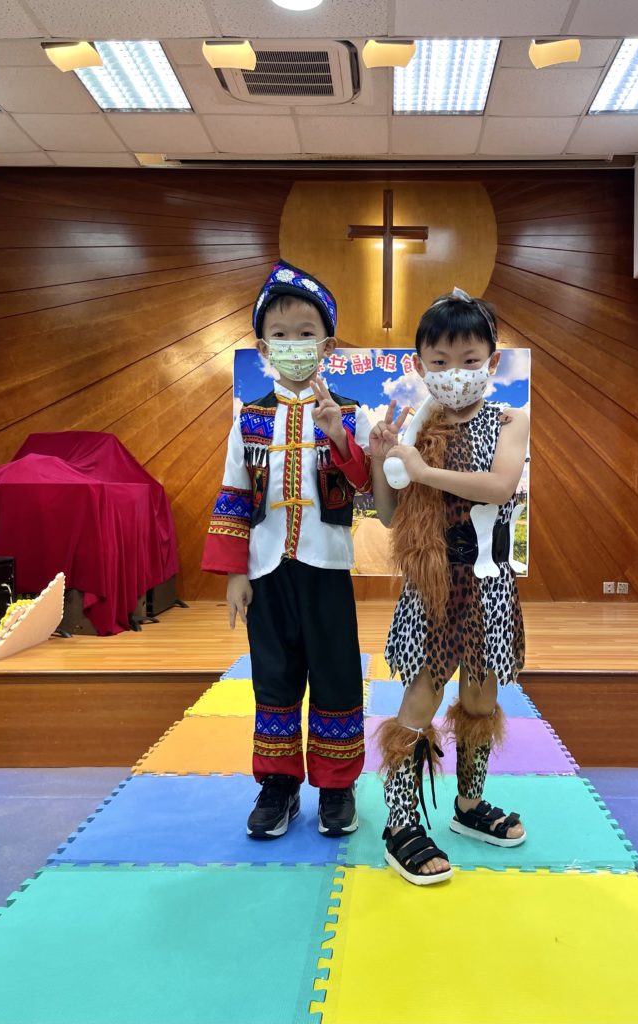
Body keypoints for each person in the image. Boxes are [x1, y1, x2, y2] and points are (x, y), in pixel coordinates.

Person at [202, 260, 371, 840]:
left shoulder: (349, 413)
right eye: (281, 334)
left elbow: (366, 485)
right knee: (273, 675)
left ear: (327, 345)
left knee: (337, 675)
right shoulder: (249, 418)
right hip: (266, 571)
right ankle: (278, 784)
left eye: (306, 333)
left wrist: (339, 435)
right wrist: (234, 573)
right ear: (263, 347)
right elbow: (233, 493)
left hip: (327, 570)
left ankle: (336, 786)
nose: (294, 343)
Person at [368, 288, 529, 885]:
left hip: (489, 583)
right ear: (420, 365)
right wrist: (382, 459)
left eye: (469, 360)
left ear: (492, 361)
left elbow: (500, 486)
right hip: (434, 586)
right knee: (422, 698)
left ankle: (468, 805)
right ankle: (399, 824)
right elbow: (390, 515)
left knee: (482, 698)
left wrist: (422, 469)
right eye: (440, 361)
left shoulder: (510, 421)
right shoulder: (418, 426)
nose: (454, 372)